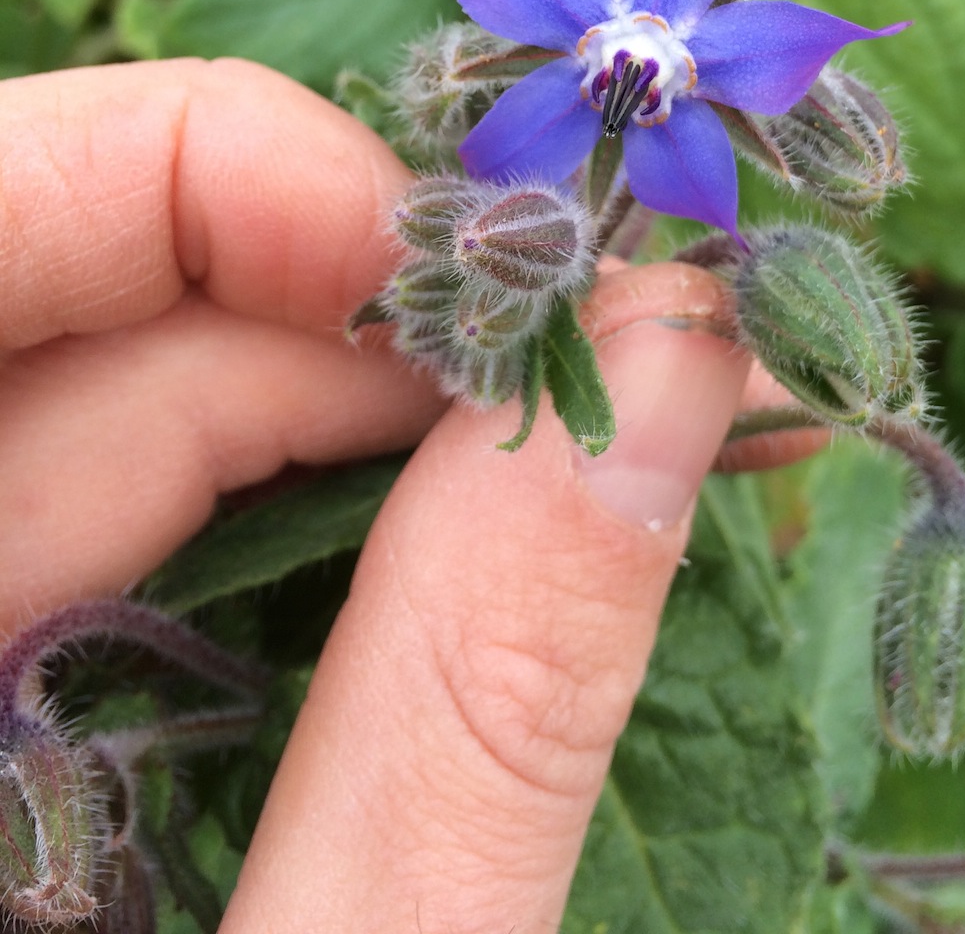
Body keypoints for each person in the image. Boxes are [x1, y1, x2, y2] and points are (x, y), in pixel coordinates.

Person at [0, 56, 821, 932]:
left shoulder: (646, 137)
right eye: (624, 73)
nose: (629, 85)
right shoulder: (518, 189)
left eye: (641, 80)